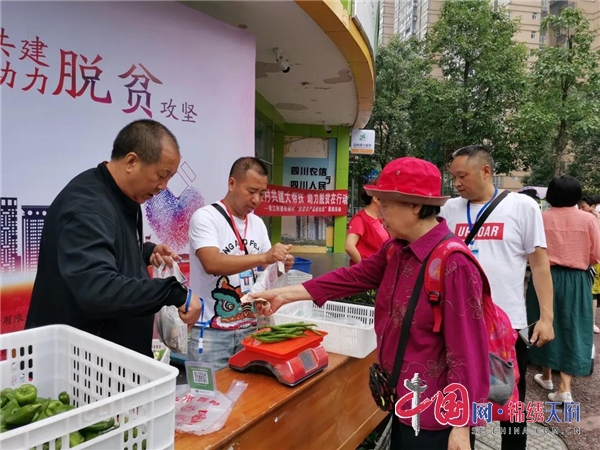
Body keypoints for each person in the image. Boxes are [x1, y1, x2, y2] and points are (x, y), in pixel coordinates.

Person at [252, 157, 489, 450]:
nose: (381, 213)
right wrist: (284, 295)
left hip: (435, 415)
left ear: (415, 206)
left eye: (386, 205)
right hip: (402, 399)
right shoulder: (396, 250)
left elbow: (467, 351)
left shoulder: (454, 264)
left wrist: (461, 427)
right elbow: (349, 278)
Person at [26, 119, 201, 357]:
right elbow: (98, 289)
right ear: (131, 161)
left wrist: (146, 252)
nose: (163, 186)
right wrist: (174, 293)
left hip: (113, 358)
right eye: (162, 175)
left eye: (170, 177)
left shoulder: (120, 196)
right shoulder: (88, 207)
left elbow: (105, 249)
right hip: (80, 364)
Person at [440, 145, 554, 450]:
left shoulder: (522, 207)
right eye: (454, 177)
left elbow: (539, 264)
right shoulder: (449, 209)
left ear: (486, 171)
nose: (457, 183)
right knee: (461, 399)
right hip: (459, 323)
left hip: (506, 326)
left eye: (462, 175)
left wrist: (546, 317)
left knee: (511, 404)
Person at [187, 157, 294, 370]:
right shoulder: (206, 217)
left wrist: (281, 265)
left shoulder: (257, 223)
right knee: (207, 400)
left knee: (248, 398)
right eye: (251, 191)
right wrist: (265, 257)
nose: (256, 199)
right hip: (210, 331)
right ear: (232, 183)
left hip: (250, 330)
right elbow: (212, 263)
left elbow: (266, 272)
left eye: (262, 194)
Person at [527, 176, 600, 402]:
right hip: (577, 279)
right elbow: (596, 255)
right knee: (573, 327)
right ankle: (564, 388)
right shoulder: (588, 220)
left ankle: (546, 375)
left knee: (543, 322)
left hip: (544, 276)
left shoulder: (541, 218)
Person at [345, 184, 390, 265]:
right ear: (375, 199)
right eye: (384, 197)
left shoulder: (379, 219)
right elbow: (349, 246)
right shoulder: (360, 219)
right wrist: (363, 265)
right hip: (366, 273)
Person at [578, 195, 600, 334]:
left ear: (592, 207)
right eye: (580, 207)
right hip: (588, 260)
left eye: (584, 207)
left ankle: (591, 323)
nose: (581, 209)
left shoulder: (594, 219)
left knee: (593, 292)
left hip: (594, 261)